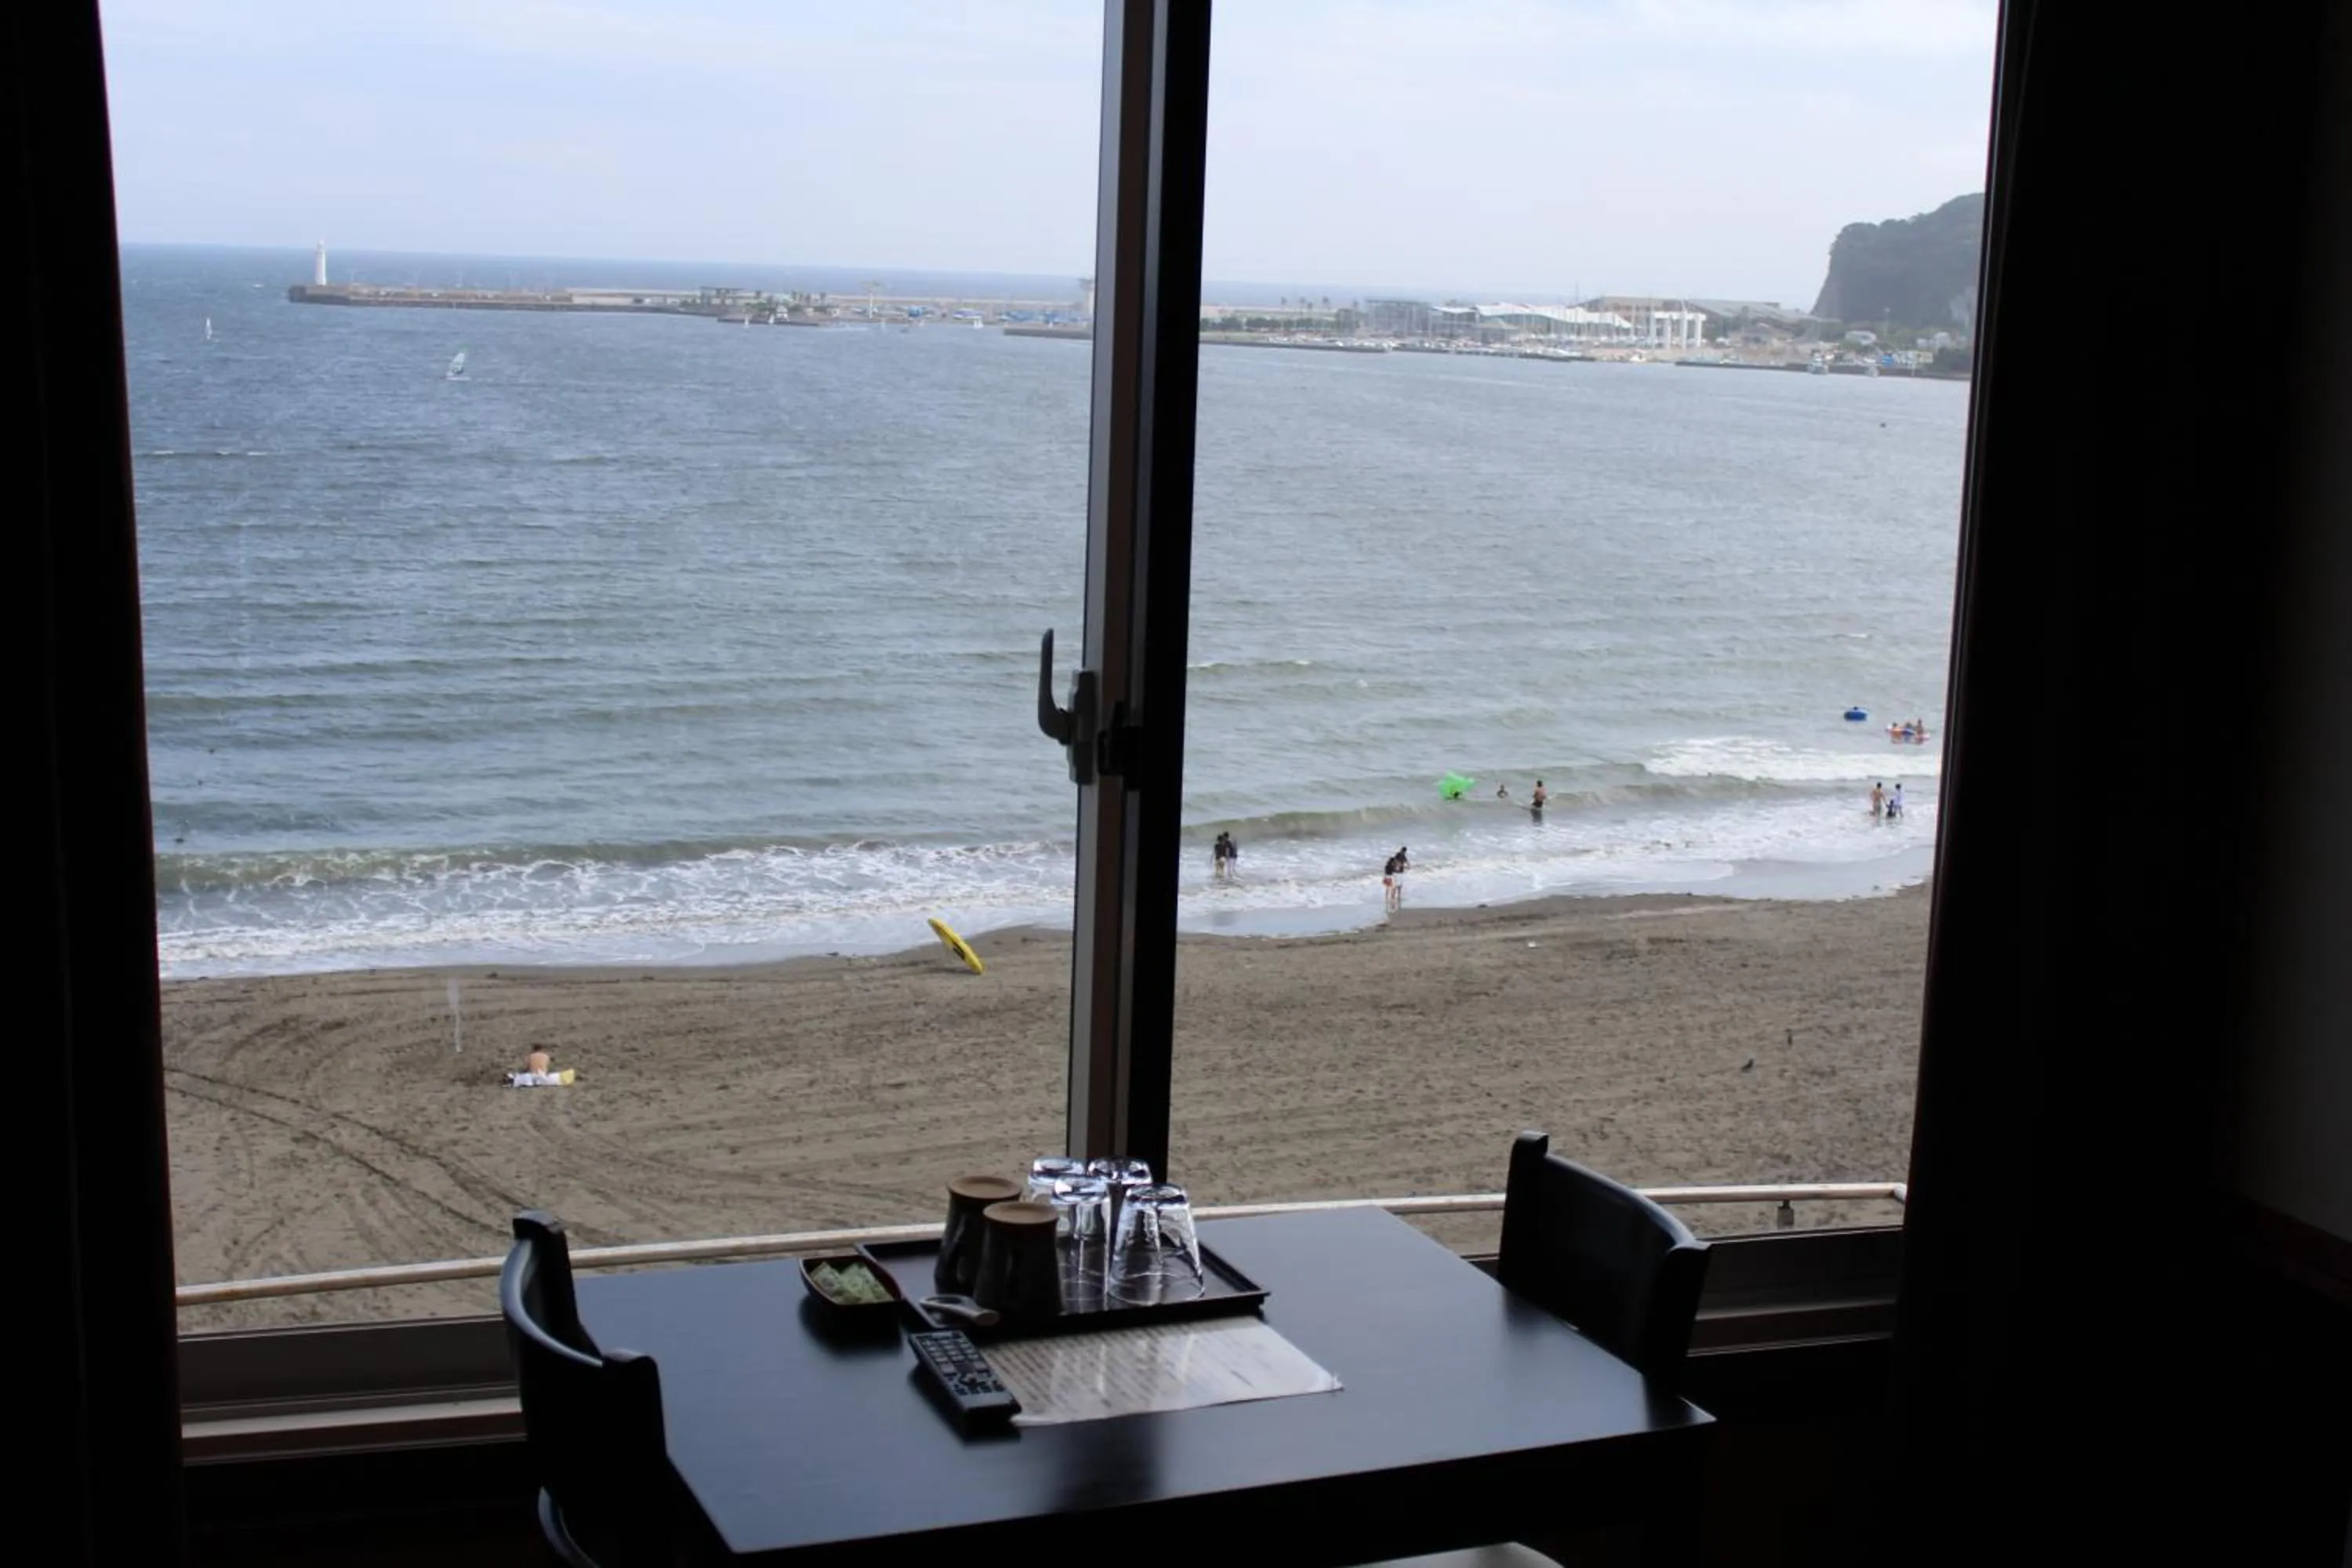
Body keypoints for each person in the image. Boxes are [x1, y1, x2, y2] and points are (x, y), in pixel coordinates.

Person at [1382, 846, 1409, 911]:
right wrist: (1403, 866)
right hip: (1396, 873)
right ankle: (1392, 897)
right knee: (1395, 886)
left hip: (1399, 873)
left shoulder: (1403, 856)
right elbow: (1397, 863)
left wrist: (1407, 865)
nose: (1404, 853)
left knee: (1399, 886)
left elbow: (1406, 861)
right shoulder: (1398, 855)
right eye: (1403, 852)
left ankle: (1397, 897)